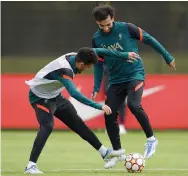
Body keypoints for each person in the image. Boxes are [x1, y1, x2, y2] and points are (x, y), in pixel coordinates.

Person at [24, 47, 134, 174]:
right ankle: (30, 166)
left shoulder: (77, 56)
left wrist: (125, 55)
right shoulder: (65, 70)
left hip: (55, 96)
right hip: (39, 98)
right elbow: (74, 94)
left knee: (77, 123)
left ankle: (104, 152)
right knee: (47, 126)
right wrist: (98, 106)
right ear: (81, 63)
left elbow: (102, 51)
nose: (86, 69)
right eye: (87, 67)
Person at [91, 5, 176, 168]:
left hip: (134, 75)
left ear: (113, 18)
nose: (106, 28)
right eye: (102, 26)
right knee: (109, 114)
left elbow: (150, 39)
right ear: (97, 23)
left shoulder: (127, 28)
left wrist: (167, 56)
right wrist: (96, 86)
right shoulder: (96, 38)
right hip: (115, 81)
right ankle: (117, 151)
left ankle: (151, 139)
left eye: (108, 24)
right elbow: (98, 63)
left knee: (133, 104)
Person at [103, 67, 127, 135]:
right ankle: (110, 127)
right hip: (110, 84)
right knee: (109, 106)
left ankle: (121, 125)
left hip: (122, 83)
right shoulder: (107, 64)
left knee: (122, 105)